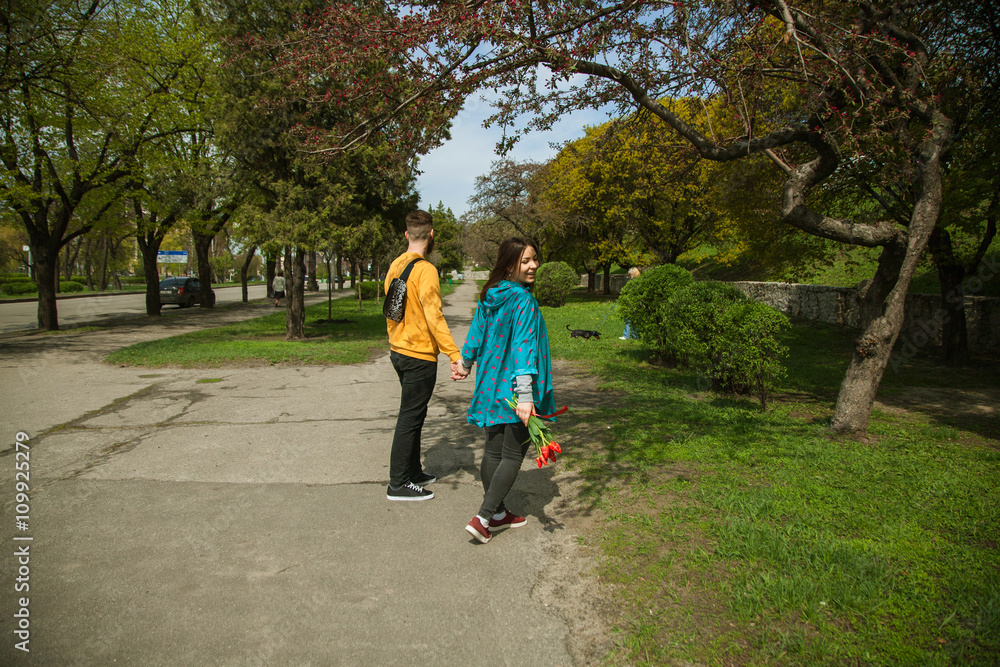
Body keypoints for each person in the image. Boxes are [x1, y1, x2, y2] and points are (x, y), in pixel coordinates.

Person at [455, 237, 556, 544]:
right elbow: (525, 348)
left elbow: (475, 332)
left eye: (534, 259)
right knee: (512, 455)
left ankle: (497, 513)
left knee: (494, 452)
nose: (533, 265)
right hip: (514, 390)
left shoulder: (491, 293)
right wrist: (525, 397)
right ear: (509, 263)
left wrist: (465, 362)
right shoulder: (523, 300)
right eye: (525, 261)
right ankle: (484, 518)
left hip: (490, 386)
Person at [383, 210, 465, 501]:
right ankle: (398, 483)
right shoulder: (426, 270)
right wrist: (455, 355)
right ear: (431, 235)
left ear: (407, 235)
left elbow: (392, 309)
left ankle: (414, 470)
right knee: (410, 417)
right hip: (419, 356)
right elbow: (435, 316)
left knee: (415, 415)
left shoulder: (395, 265)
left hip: (399, 351)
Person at [620, 267, 641, 340]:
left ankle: (627, 336)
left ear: (633, 274)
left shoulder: (632, 282)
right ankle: (635, 336)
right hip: (636, 303)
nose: (630, 276)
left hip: (632, 303)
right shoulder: (639, 281)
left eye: (630, 274)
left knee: (628, 319)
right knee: (634, 319)